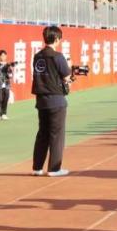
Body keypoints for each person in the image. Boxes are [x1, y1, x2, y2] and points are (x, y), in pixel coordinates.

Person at [31, 25, 73, 177]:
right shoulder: (58, 56)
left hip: (41, 99)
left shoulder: (37, 56)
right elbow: (67, 76)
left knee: (43, 133)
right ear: (56, 39)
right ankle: (54, 168)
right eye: (59, 39)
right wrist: (69, 70)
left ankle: (37, 167)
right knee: (57, 134)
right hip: (56, 99)